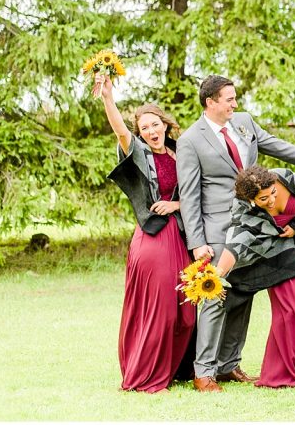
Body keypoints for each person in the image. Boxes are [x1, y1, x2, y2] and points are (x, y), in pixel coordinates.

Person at [176, 75, 295, 392]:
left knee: (243, 294)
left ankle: (228, 364)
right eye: (229, 99)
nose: (235, 104)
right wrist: (197, 243)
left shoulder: (244, 123)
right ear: (210, 102)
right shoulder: (190, 140)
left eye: (235, 98)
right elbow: (190, 195)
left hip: (253, 228)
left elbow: (278, 147)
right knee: (215, 299)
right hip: (217, 231)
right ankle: (204, 372)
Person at [96, 73, 196, 394]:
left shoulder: (182, 153)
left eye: (155, 125)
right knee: (160, 311)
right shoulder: (139, 152)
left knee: (186, 312)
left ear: (165, 125)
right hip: (152, 239)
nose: (151, 131)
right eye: (145, 128)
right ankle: (148, 376)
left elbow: (196, 194)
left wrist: (176, 205)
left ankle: (176, 369)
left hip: (179, 238)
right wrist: (109, 99)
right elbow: (120, 130)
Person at [213, 166, 295, 387]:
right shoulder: (243, 211)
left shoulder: (284, 177)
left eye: (273, 193)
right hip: (280, 259)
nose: (272, 200)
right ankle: (286, 371)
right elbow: (237, 242)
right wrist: (218, 272)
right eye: (263, 198)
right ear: (251, 199)